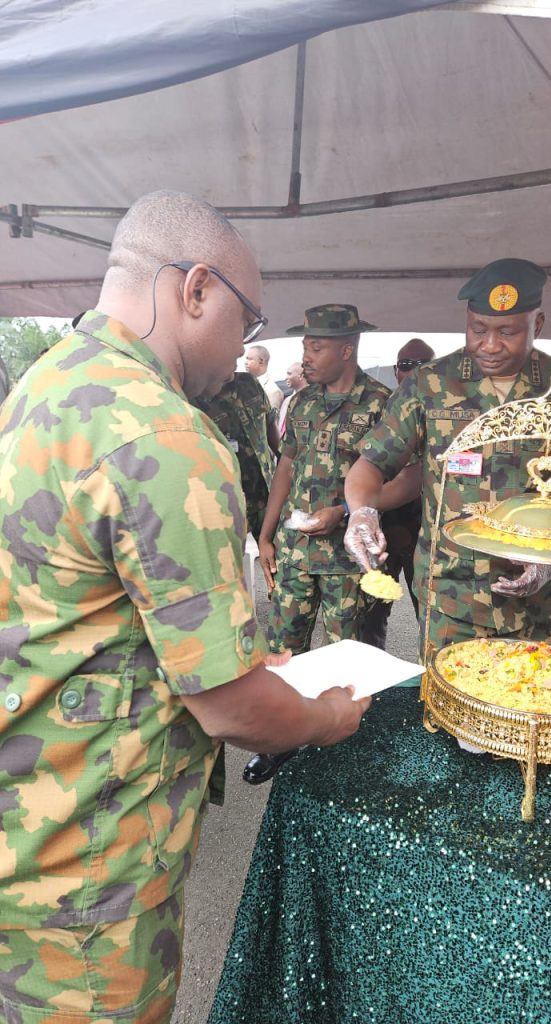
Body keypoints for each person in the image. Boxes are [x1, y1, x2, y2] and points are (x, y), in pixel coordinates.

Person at [0, 190, 369, 1024]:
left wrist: (243, 661)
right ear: (196, 288)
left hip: (28, 828)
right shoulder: (165, 435)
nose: (247, 349)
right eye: (249, 321)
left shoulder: (45, 386)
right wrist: (325, 717)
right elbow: (231, 705)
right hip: (91, 873)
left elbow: (85, 610)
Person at [344, 258, 551, 650]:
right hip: (450, 595)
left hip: (535, 601)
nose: (489, 345)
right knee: (447, 705)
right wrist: (362, 514)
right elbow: (371, 464)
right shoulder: (430, 384)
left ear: (536, 325)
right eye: (478, 329)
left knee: (533, 702)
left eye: (507, 331)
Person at [258, 303, 418, 654]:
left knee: (345, 659)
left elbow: (410, 479)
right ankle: (288, 712)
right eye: (304, 348)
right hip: (295, 554)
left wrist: (345, 510)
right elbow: (286, 468)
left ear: (346, 350)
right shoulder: (301, 402)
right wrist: (266, 535)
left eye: (316, 348)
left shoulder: (381, 405)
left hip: (347, 562)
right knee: (281, 653)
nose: (306, 358)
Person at [360, 338, 435, 647]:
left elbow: (414, 480)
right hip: (385, 528)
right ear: (396, 371)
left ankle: (432, 685)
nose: (413, 373)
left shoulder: (447, 415)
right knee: (372, 612)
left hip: (426, 530)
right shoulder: (382, 408)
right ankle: (370, 690)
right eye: (407, 366)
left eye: (423, 366)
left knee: (431, 614)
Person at [195, 371, 280, 539]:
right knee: (232, 561)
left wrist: (285, 462)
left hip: (268, 492)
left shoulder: (248, 383)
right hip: (231, 501)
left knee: (276, 556)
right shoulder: (194, 398)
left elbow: (269, 423)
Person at [244, 342, 283, 411]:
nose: (245, 362)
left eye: (249, 359)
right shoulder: (244, 384)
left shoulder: (272, 391)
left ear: (261, 361)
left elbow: (270, 420)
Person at [277, 359, 307, 437]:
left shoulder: (312, 402)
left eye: (289, 374)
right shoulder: (287, 400)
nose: (286, 378)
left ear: (301, 376)